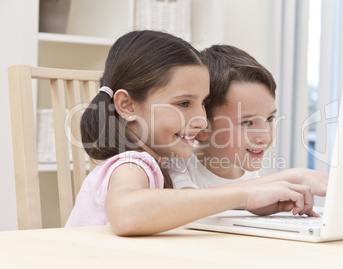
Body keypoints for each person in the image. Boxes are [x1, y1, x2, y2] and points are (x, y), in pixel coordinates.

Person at [66, 30, 318, 236]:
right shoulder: (132, 163)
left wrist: (258, 199)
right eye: (184, 104)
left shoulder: (166, 164)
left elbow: (195, 204)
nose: (201, 119)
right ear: (127, 106)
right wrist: (246, 194)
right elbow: (127, 214)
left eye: (203, 103)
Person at [168, 44, 328, 200]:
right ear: (203, 127)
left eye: (269, 119)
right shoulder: (178, 166)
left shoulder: (250, 175)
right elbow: (194, 202)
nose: (264, 138)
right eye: (247, 123)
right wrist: (292, 178)